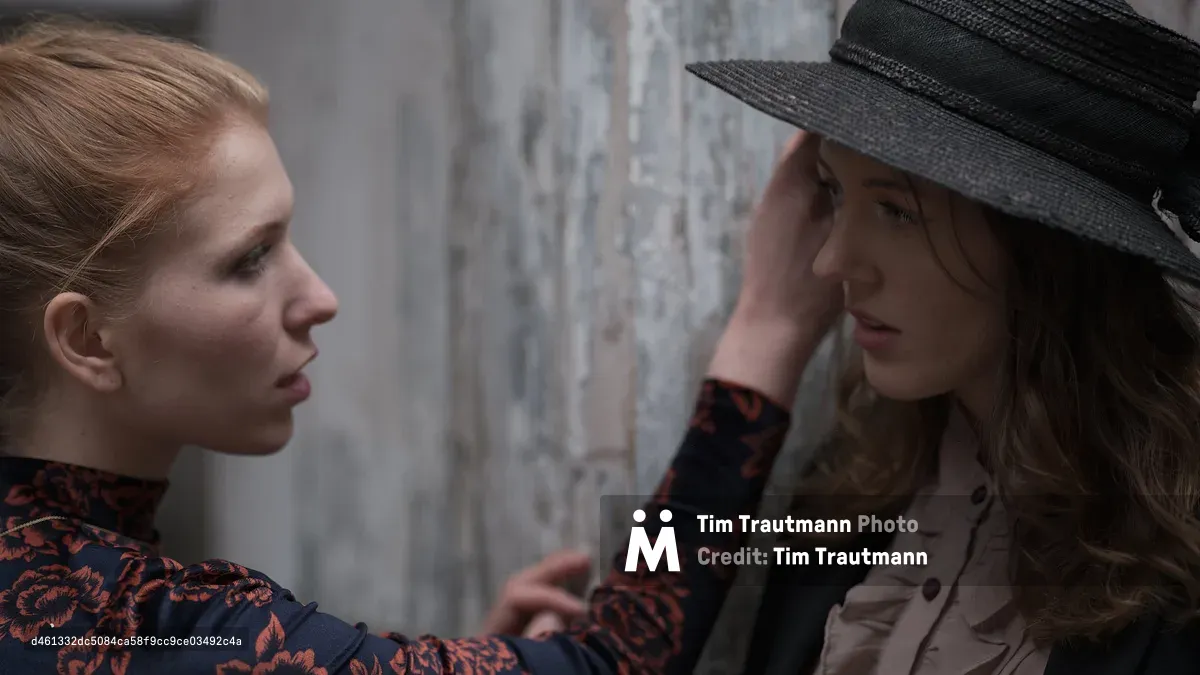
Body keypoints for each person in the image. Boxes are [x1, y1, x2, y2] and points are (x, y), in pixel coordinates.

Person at [0, 16, 831, 675]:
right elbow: (615, 660)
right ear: (85, 337)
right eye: (249, 259)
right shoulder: (143, 625)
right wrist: (768, 333)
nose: (319, 298)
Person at [680, 0, 1200, 673]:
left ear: (1045, 247)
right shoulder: (851, 488)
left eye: (898, 211)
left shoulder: (1176, 566)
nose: (830, 262)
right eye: (836, 192)